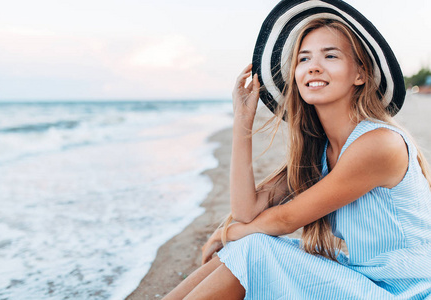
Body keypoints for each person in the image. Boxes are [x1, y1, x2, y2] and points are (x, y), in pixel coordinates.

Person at [164, 0, 431, 299]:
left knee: (252, 248)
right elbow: (246, 211)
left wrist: (224, 234)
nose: (314, 66)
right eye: (303, 59)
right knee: (248, 244)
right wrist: (242, 121)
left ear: (360, 74)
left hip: (407, 292)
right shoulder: (320, 154)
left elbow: (284, 220)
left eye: (330, 55)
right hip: (364, 279)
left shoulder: (379, 143)